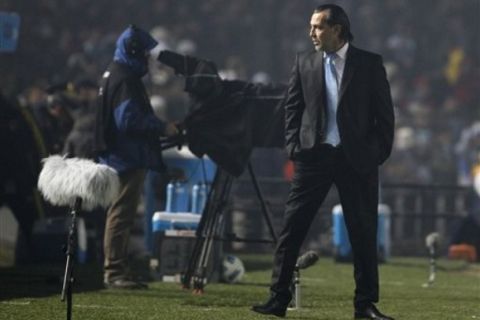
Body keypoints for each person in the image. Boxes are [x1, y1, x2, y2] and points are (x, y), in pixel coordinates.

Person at [252, 4, 395, 319]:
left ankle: (365, 305)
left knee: (363, 232)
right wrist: (293, 147)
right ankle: (278, 299)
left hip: (356, 160)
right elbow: (292, 109)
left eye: (317, 27)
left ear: (337, 29)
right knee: (292, 229)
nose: (311, 33)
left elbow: (384, 116)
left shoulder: (369, 64)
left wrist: (375, 155)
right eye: (312, 26)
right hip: (313, 157)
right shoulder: (304, 62)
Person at [94, 25, 179, 289]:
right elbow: (128, 120)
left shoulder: (114, 72)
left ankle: (120, 267)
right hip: (125, 157)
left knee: (120, 214)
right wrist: (162, 126)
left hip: (118, 155)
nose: (148, 58)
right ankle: (115, 271)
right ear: (133, 51)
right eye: (144, 53)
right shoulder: (125, 79)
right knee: (121, 214)